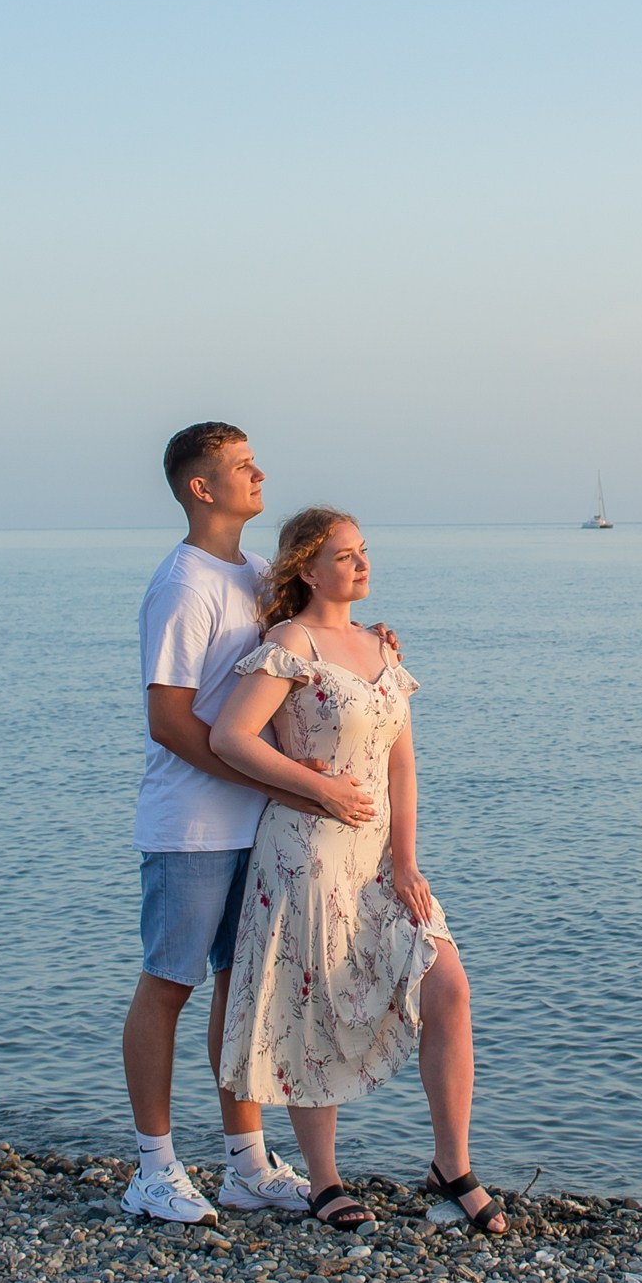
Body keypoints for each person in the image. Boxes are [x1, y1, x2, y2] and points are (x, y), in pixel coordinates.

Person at [208, 507, 506, 1236]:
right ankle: (324, 1180)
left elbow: (403, 763)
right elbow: (229, 736)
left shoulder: (379, 646)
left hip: (379, 858)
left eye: (364, 551)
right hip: (306, 850)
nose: (361, 564)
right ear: (308, 568)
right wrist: (318, 786)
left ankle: (451, 1166)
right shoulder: (292, 643)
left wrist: (406, 858)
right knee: (314, 1006)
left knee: (450, 988)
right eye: (345, 555)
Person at [120, 423, 384, 1225]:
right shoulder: (183, 584)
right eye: (240, 466)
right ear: (202, 488)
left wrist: (373, 645)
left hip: (264, 823)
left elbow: (310, 641)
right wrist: (293, 782)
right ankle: (153, 1168)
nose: (258, 471)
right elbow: (169, 720)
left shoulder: (260, 574)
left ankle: (245, 1164)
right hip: (192, 828)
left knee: (246, 995)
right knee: (169, 984)